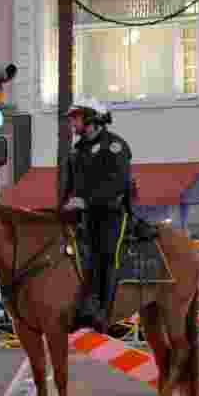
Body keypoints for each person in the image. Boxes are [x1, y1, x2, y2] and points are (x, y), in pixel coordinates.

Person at [61, 98, 132, 334]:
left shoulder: (116, 146)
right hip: (81, 217)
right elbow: (69, 185)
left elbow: (119, 185)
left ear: (93, 120)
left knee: (105, 255)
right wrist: (64, 204)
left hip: (110, 214)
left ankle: (102, 310)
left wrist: (87, 201)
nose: (72, 122)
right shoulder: (76, 150)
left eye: (77, 117)